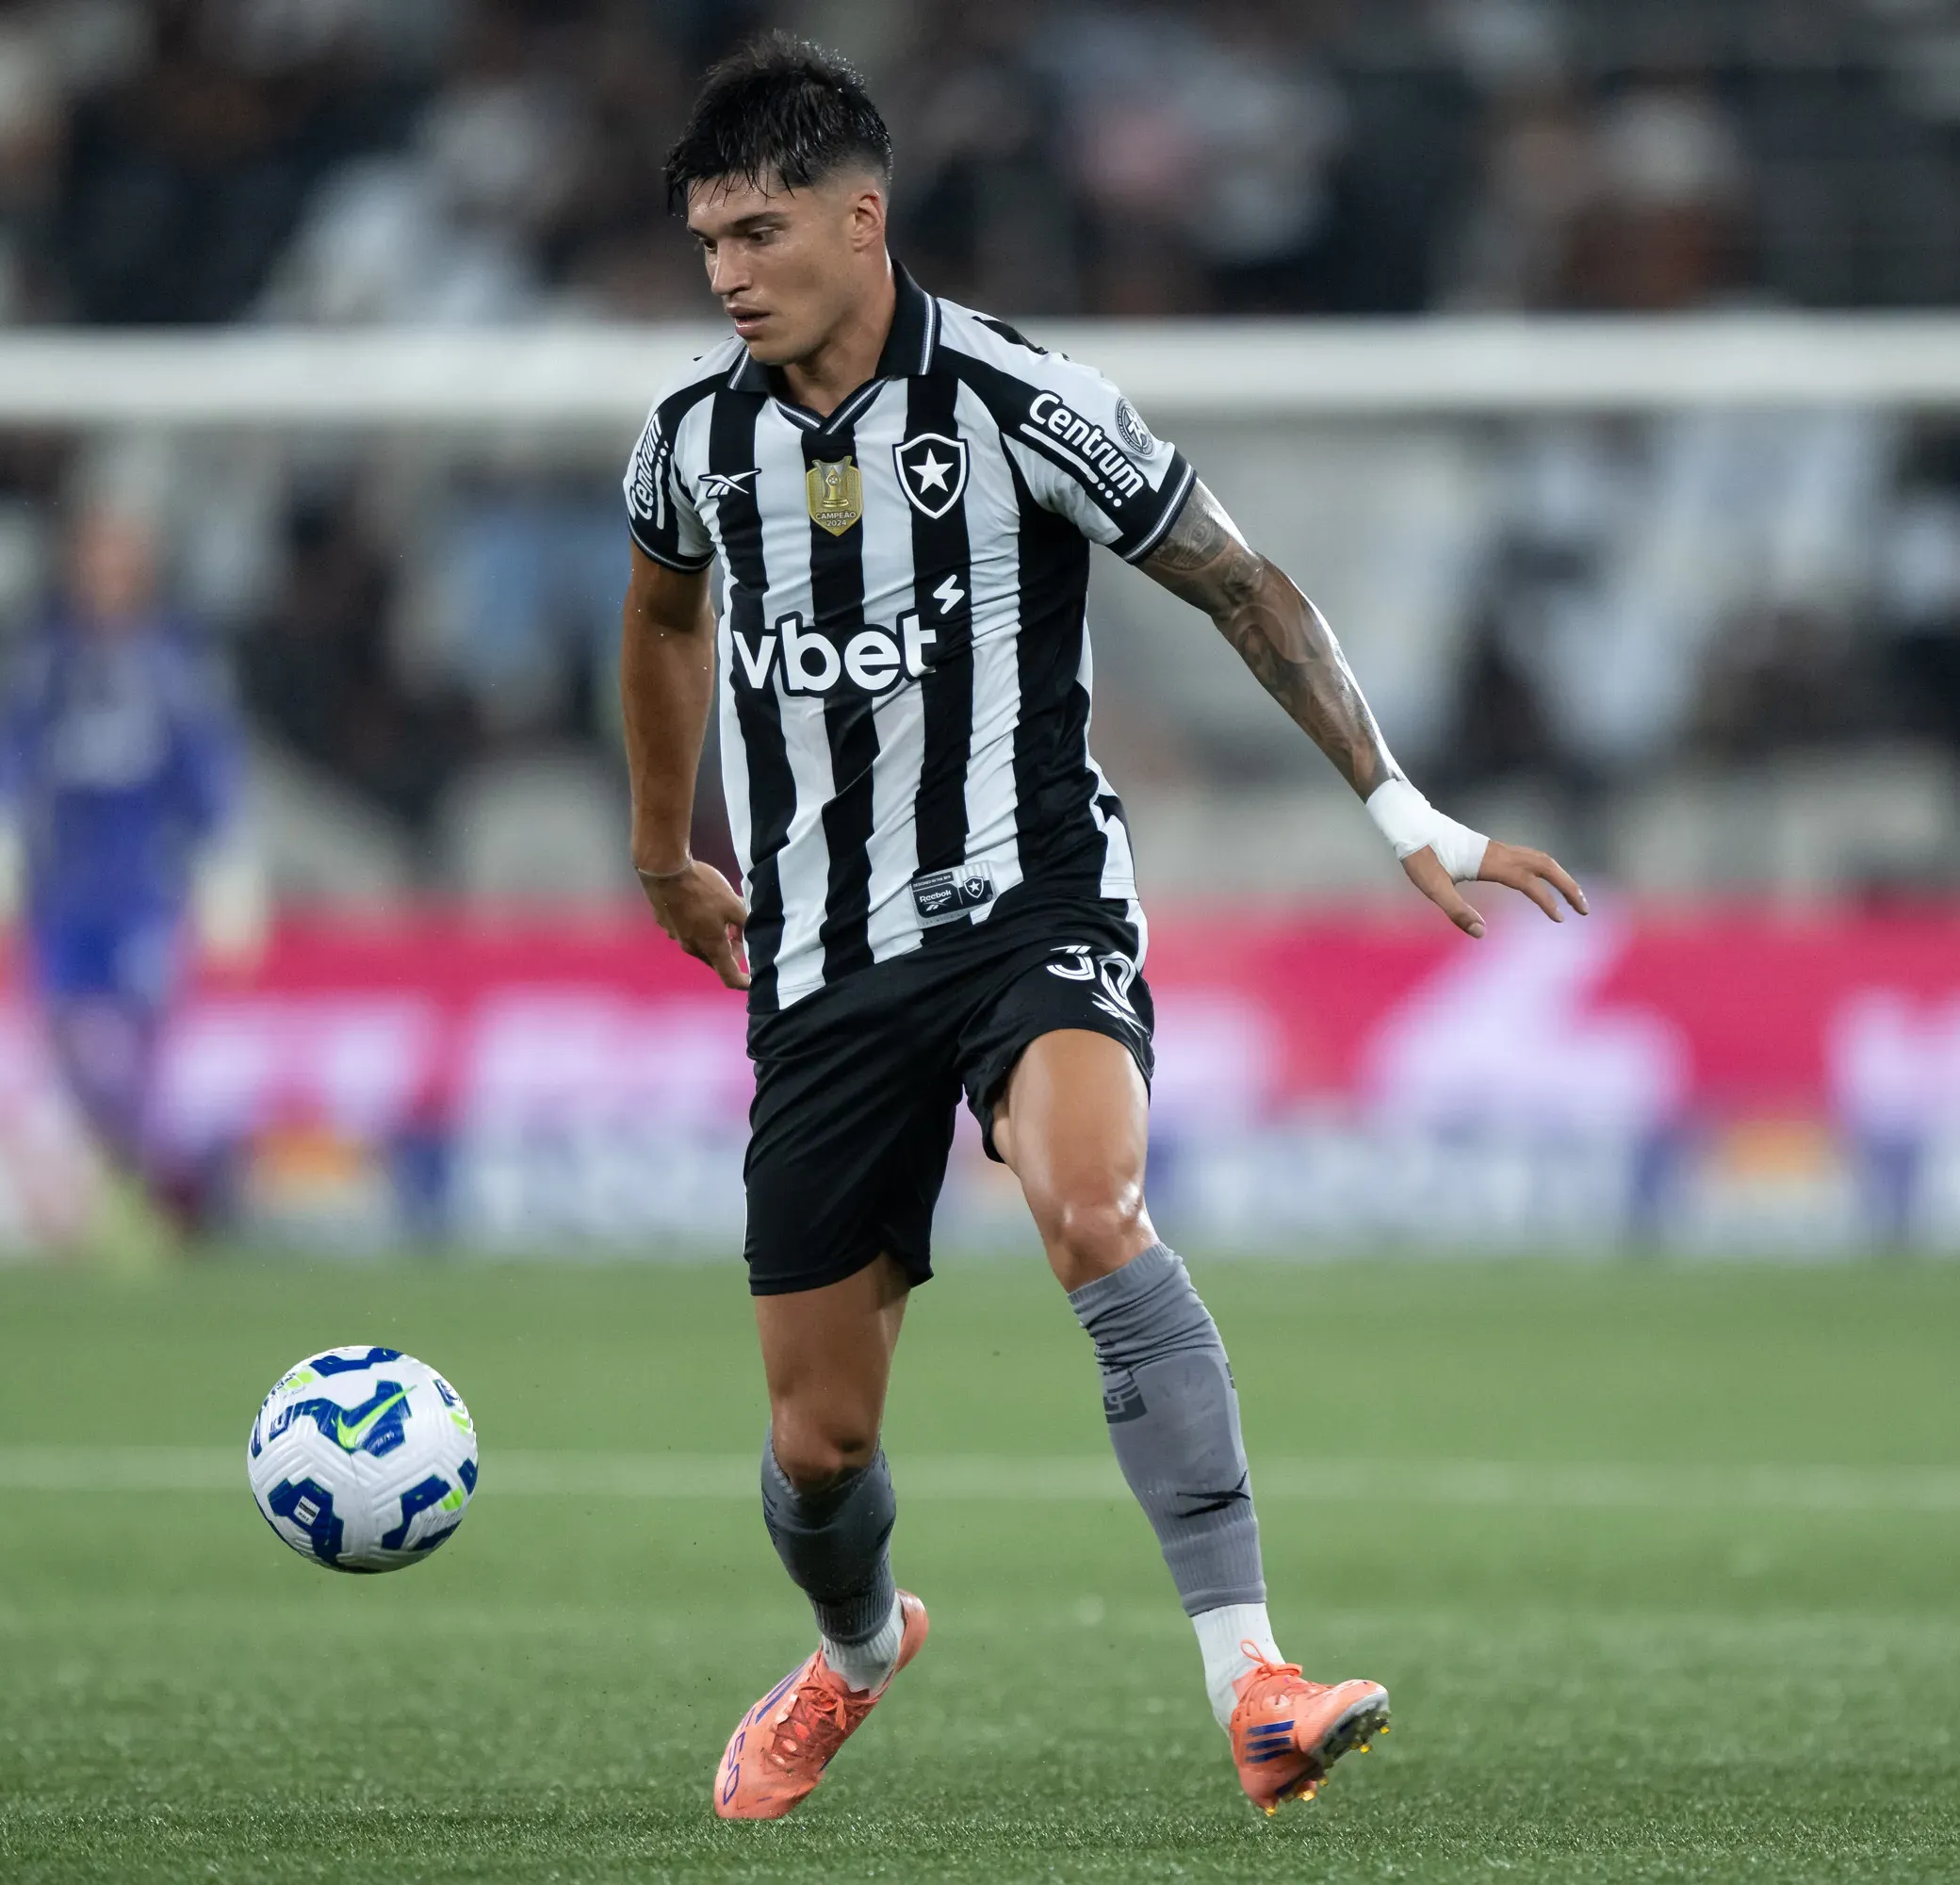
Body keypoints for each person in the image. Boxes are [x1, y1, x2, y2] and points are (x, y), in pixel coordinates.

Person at [615, 39, 1588, 1821]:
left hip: (1029, 904)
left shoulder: (1018, 399)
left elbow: (1238, 579)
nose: (729, 274)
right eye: (706, 246)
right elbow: (665, 617)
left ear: (861, 215)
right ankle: (853, 1649)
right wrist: (666, 849)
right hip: (824, 960)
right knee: (819, 1447)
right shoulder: (693, 444)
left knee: (1092, 1206)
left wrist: (1403, 812)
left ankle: (1256, 1681)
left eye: (758, 233)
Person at [0, 501, 248, 1241]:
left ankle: (165, 1199)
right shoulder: (45, 655)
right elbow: (9, 746)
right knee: (69, 1043)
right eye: (97, 557)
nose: (108, 576)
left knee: (139, 1048)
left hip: (144, 886)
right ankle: (123, 1187)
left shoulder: (175, 656)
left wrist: (227, 853)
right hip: (63, 887)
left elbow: (205, 757)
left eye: (122, 559)